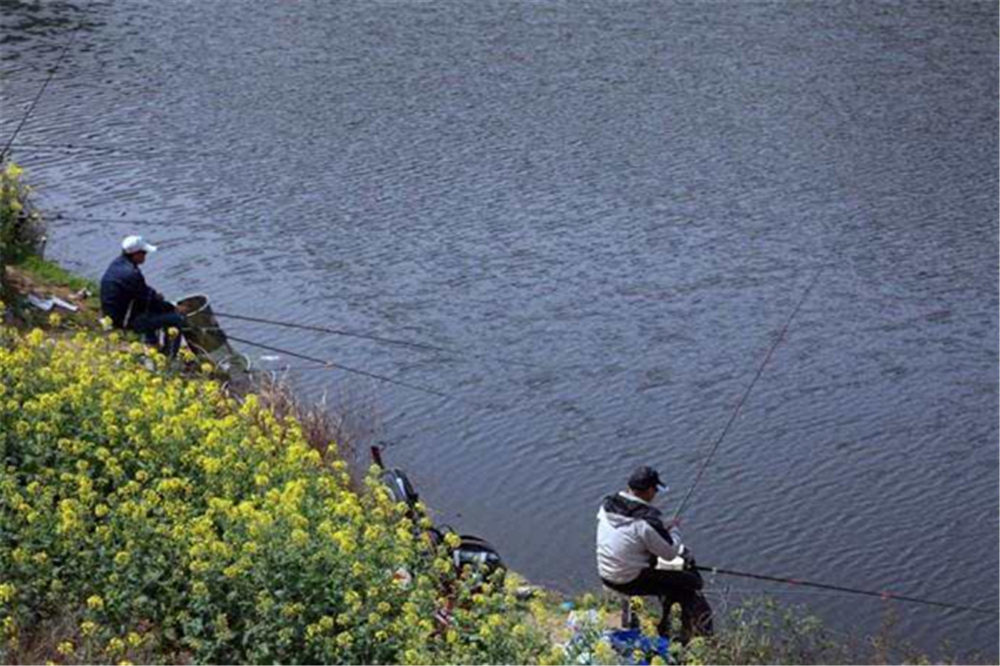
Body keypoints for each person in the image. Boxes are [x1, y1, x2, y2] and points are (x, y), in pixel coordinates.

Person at [596, 465, 713, 643]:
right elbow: (670, 552)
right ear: (649, 490)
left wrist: (661, 528)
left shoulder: (607, 507)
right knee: (691, 581)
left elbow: (629, 534)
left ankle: (641, 618)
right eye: (655, 490)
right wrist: (674, 530)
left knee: (665, 571)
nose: (655, 495)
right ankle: (678, 632)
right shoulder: (646, 522)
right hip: (628, 580)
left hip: (606, 574)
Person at [100, 235, 185, 357]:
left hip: (111, 315)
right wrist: (172, 307)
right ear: (135, 254)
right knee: (176, 319)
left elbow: (142, 293)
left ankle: (152, 344)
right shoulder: (131, 274)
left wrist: (155, 296)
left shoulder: (117, 264)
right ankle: (169, 357)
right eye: (144, 253)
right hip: (122, 320)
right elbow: (149, 301)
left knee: (151, 311)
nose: (145, 255)